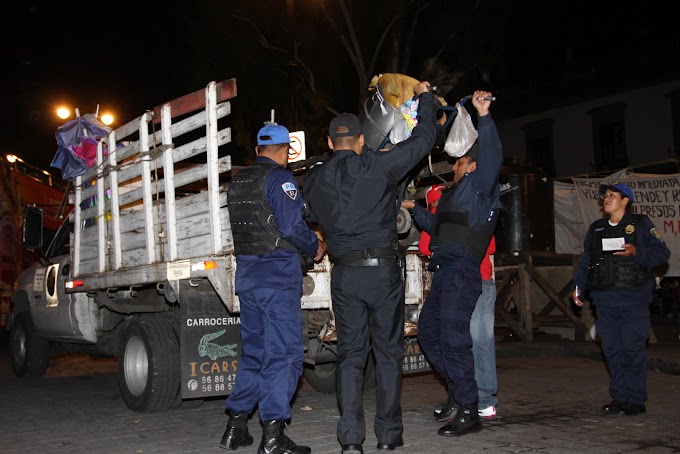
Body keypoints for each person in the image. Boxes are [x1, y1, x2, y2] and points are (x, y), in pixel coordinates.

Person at [303, 81, 439, 454]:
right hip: (382, 274)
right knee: (389, 354)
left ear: (330, 144)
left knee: (351, 356)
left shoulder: (315, 178)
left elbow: (308, 213)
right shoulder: (380, 167)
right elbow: (425, 138)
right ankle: (389, 436)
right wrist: (426, 98)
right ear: (362, 140)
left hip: (345, 275)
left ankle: (350, 441)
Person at [221, 123, 325, 454]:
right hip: (277, 278)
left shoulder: (238, 183)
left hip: (248, 277)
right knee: (284, 355)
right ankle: (273, 437)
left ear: (256, 150)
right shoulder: (280, 179)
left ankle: (236, 427)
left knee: (255, 354)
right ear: (287, 150)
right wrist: (315, 245)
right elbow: (292, 226)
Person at [402, 91, 501, 437]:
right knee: (429, 334)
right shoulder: (450, 197)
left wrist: (484, 117)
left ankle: (469, 409)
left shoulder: (480, 188)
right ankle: (460, 395)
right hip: (444, 274)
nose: (454, 164)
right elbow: (437, 229)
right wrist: (414, 209)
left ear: (473, 165)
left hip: (461, 273)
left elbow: (492, 157)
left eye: (459, 161)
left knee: (455, 339)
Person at [572, 183, 670, 416]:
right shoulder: (596, 229)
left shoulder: (641, 224)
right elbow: (586, 261)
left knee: (632, 348)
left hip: (633, 298)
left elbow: (662, 254)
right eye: (605, 196)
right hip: (604, 300)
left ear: (625, 200)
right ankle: (620, 398)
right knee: (612, 349)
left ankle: (635, 400)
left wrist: (637, 252)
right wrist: (578, 287)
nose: (606, 199)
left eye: (612, 196)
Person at [404, 187, 499, 423]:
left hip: (477, 281)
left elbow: (428, 245)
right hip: (458, 283)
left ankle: (483, 401)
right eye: (435, 204)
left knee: (478, 343)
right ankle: (461, 394)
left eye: (441, 203)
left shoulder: (467, 212)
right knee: (455, 341)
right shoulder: (452, 216)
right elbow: (430, 245)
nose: (440, 208)